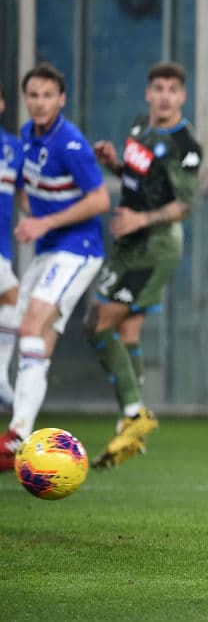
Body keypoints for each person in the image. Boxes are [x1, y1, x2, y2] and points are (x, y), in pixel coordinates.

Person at [85, 62, 202, 468]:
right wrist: (114, 164)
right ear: (148, 94)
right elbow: (144, 182)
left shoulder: (186, 145)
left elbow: (184, 205)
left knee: (96, 322)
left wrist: (140, 219)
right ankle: (129, 423)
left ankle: (135, 414)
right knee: (128, 328)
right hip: (131, 240)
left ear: (182, 97)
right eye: (159, 88)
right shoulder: (139, 127)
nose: (166, 95)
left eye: (173, 89)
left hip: (154, 246)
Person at [0, 63, 110, 470]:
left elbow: (100, 200)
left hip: (77, 249)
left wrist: (44, 221)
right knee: (37, 339)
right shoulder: (28, 136)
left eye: (48, 95)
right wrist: (31, 215)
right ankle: (21, 435)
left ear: (61, 99)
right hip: (50, 249)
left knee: (30, 324)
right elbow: (31, 191)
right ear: (25, 99)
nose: (40, 102)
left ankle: (18, 433)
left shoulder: (71, 143)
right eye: (33, 95)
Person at [0, 83, 23, 410]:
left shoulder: (13, 149)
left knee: (12, 300)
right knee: (13, 297)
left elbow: (27, 199)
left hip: (3, 245)